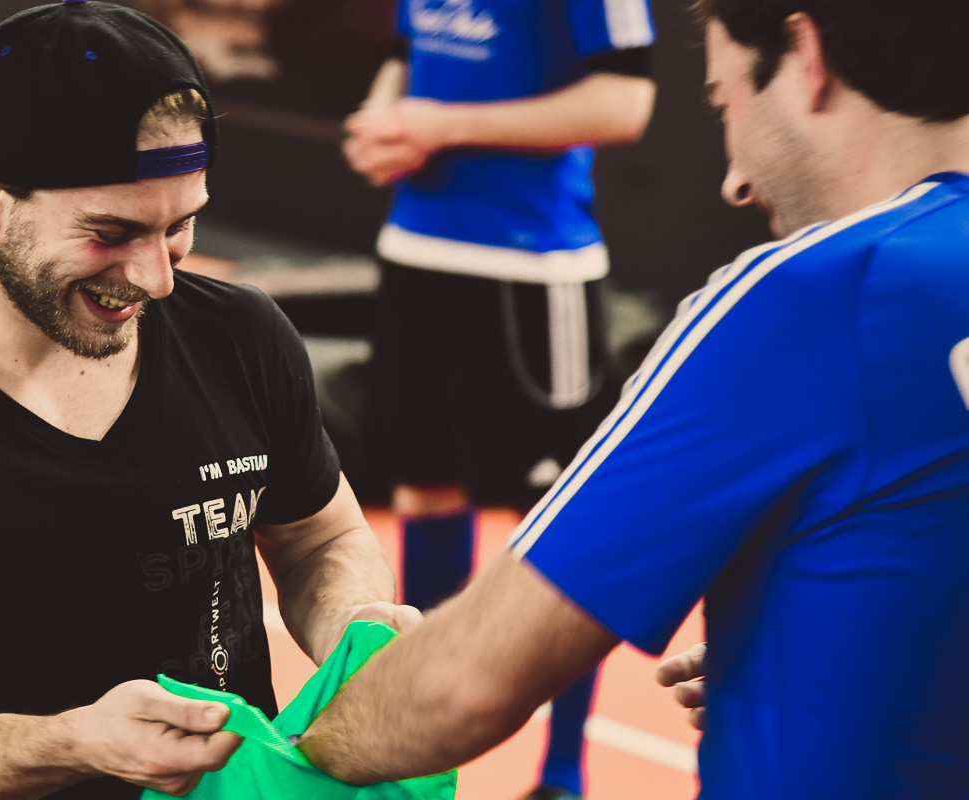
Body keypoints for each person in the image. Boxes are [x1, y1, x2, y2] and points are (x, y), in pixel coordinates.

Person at [300, 0, 969, 796]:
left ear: (807, 57)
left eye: (725, 101)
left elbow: (460, 687)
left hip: (525, 265)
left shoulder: (810, 293)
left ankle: (562, 775)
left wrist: (285, 755)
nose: (735, 180)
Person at [0, 3, 418, 798]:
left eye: (180, 227)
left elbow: (319, 539)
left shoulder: (241, 335)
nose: (156, 278)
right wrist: (74, 743)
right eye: (111, 232)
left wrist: (358, 628)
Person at [343, 1, 655, 796]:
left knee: (557, 528)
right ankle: (419, 768)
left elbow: (626, 101)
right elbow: (409, 56)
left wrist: (439, 125)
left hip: (530, 270)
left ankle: (561, 775)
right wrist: (385, 116)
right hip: (413, 251)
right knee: (424, 495)